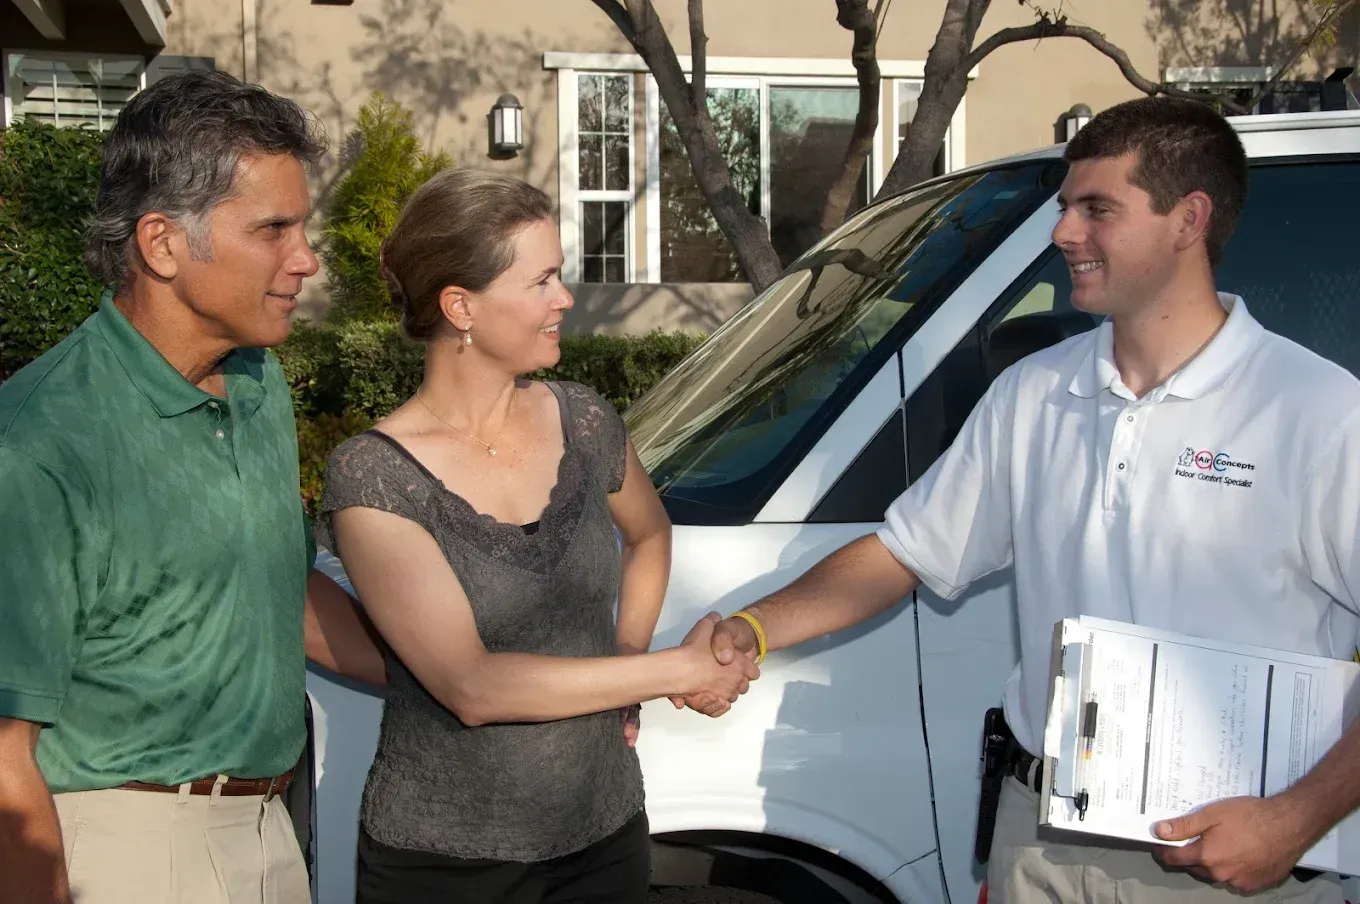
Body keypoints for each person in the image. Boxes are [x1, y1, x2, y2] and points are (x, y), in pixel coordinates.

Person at [677, 95, 1360, 902]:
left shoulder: (1317, 412)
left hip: (1225, 856)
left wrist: (1292, 821)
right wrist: (752, 628)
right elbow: (903, 554)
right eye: (1066, 207)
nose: (1064, 232)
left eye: (1096, 209)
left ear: (1189, 220)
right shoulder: (1033, 394)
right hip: (1041, 840)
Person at [316, 167, 759, 904]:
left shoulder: (583, 421)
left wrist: (625, 654)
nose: (565, 299)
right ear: (460, 305)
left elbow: (650, 537)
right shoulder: (374, 478)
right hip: (449, 868)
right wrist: (674, 671)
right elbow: (472, 685)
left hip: (606, 837)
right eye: (542, 280)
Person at [0, 71, 386, 904]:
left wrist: (461, 679)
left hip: (269, 837)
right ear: (162, 243)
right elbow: (2, 759)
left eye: (303, 226)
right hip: (118, 855)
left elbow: (275, 592)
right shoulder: (38, 443)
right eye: (273, 229)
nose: (306, 259)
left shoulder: (257, 382)